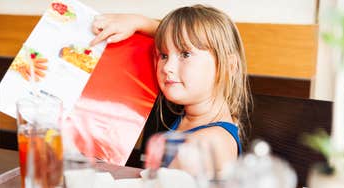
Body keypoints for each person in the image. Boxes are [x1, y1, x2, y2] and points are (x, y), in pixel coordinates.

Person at [90, 5, 252, 172]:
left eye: (185, 54)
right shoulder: (188, 115)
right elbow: (174, 38)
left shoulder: (207, 145)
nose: (167, 67)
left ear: (228, 67)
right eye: (164, 55)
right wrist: (139, 22)